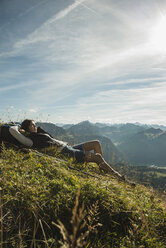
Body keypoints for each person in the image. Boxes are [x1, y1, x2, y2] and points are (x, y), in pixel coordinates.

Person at [9, 119, 127, 182]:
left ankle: (101, 168)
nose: (36, 126)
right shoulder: (31, 139)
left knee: (96, 143)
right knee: (97, 157)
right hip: (66, 153)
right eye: (33, 125)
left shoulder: (37, 133)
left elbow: (49, 136)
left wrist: (38, 128)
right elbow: (15, 133)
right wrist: (18, 127)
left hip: (68, 147)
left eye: (35, 125)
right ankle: (116, 176)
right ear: (27, 128)